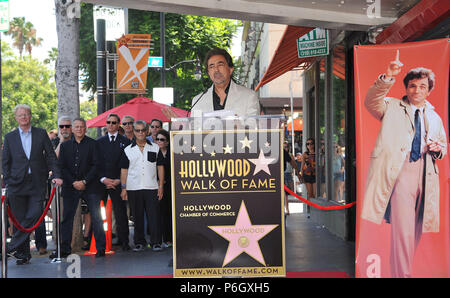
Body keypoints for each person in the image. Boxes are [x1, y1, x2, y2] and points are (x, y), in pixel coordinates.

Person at [361, 52, 447, 278]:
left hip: (427, 176)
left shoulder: (434, 116)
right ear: (406, 88)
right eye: (412, 86)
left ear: (429, 90)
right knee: (404, 234)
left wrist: (438, 149)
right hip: (400, 174)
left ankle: (399, 273)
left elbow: (443, 146)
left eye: (421, 86)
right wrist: (388, 75)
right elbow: (371, 101)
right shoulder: (391, 106)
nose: (416, 90)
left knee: (415, 233)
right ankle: (403, 276)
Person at [2, 104, 63, 265]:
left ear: (30, 116)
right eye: (20, 115)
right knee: (19, 220)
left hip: (37, 182)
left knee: (35, 214)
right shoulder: (10, 137)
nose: (24, 117)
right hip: (16, 184)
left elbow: (51, 156)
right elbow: (5, 162)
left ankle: (9, 248)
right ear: (16, 118)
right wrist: (8, 181)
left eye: (26, 114)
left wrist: (56, 175)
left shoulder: (41, 134)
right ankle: (22, 254)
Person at [54, 118, 106, 258]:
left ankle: (100, 248)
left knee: (96, 217)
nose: (79, 129)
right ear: (72, 129)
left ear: (85, 128)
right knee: (67, 219)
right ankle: (64, 249)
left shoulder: (93, 144)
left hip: (91, 186)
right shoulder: (64, 146)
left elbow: (96, 165)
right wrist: (73, 182)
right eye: (76, 127)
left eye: (81, 127)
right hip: (70, 187)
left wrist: (84, 181)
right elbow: (61, 167)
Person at [120, 120, 165, 252]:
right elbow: (124, 170)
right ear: (134, 132)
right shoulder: (127, 150)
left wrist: (160, 186)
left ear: (147, 131)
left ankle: (156, 242)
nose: (140, 133)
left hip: (152, 187)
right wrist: (123, 188)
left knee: (154, 216)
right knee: (137, 216)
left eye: (142, 130)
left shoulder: (155, 148)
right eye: (137, 130)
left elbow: (160, 168)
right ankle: (139, 242)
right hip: (133, 187)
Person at [190, 48, 260, 117]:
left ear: (230, 69)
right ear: (208, 73)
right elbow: (195, 127)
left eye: (220, 65)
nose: (216, 69)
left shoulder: (249, 96)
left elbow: (253, 126)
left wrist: (238, 125)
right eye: (211, 66)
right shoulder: (197, 101)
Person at [97, 113, 131, 251]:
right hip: (102, 182)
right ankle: (99, 242)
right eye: (108, 122)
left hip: (118, 181)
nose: (111, 125)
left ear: (118, 125)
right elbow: (95, 163)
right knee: (98, 213)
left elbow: (127, 163)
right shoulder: (99, 142)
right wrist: (103, 179)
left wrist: (118, 180)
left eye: (114, 122)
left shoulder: (126, 142)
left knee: (121, 213)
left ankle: (124, 241)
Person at [155, 129, 172, 247]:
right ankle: (162, 238)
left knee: (170, 213)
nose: (159, 142)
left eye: (162, 140)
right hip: (157, 187)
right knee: (160, 213)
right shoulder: (153, 153)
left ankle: (170, 238)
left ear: (167, 142)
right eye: (157, 139)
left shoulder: (172, 153)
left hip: (171, 187)